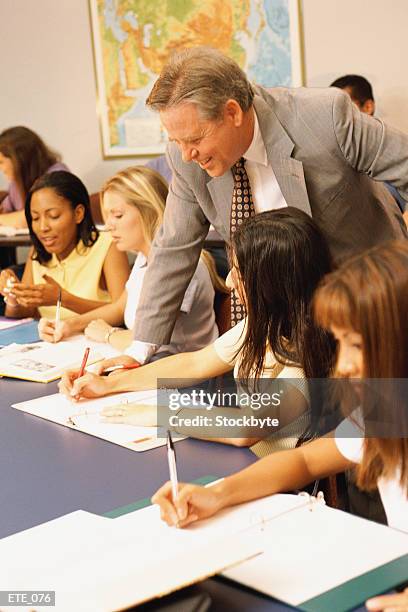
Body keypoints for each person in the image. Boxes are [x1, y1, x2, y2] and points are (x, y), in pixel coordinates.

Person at [151, 239, 408, 612]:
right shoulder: (383, 409)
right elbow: (305, 462)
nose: (344, 365)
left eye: (356, 345)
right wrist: (219, 494)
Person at [111, 46, 407, 367]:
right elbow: (173, 246)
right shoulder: (187, 161)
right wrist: (140, 349)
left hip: (367, 310)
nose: (185, 155)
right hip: (283, 322)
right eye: (176, 141)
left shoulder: (324, 117)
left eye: (194, 139)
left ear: (233, 113)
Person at [59, 208, 335, 455]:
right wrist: (108, 384)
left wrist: (160, 413)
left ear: (270, 284)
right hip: (243, 463)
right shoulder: (266, 324)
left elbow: (246, 429)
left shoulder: (308, 358)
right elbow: (194, 363)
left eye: (238, 273)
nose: (229, 283)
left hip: (278, 489)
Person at [38, 166, 220, 355]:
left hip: (179, 379)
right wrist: (68, 325)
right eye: (107, 216)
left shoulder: (182, 267)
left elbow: (150, 341)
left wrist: (108, 334)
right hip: (156, 367)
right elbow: (118, 307)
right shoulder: (144, 259)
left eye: (117, 215)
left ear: (149, 210)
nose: (108, 226)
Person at [0, 171, 129, 319]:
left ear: (78, 214)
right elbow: (26, 313)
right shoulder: (37, 252)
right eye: (35, 218)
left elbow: (123, 313)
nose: (43, 227)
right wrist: (13, 296)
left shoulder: (108, 245)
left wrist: (62, 299)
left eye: (53, 216)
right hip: (50, 341)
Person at [330, 74, 407, 214]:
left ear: (368, 107)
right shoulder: (332, 157)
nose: (337, 118)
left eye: (343, 109)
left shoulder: (394, 155)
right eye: (331, 111)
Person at [0, 126, 68, 229]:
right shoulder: (16, 184)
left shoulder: (57, 175)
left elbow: (31, 217)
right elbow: (5, 212)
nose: (1, 169)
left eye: (1, 162)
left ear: (19, 159)